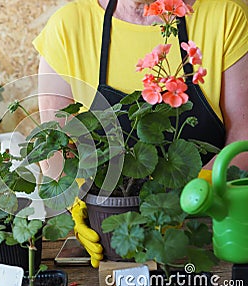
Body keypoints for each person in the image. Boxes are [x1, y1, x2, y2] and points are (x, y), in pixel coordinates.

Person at [32, 0, 248, 267]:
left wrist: (199, 192)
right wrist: (77, 202)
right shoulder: (67, 27)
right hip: (112, 231)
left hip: (202, 230)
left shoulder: (225, 17)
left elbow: (244, 132)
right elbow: (55, 145)